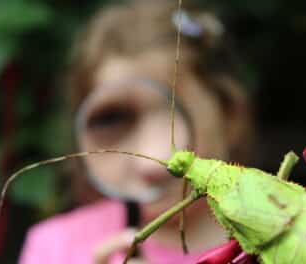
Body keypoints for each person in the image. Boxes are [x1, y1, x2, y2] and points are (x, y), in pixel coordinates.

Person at [19, 0, 254, 263]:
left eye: (175, 112)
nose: (154, 158)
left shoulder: (292, 232)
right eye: (111, 119)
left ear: (230, 114)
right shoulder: (54, 247)